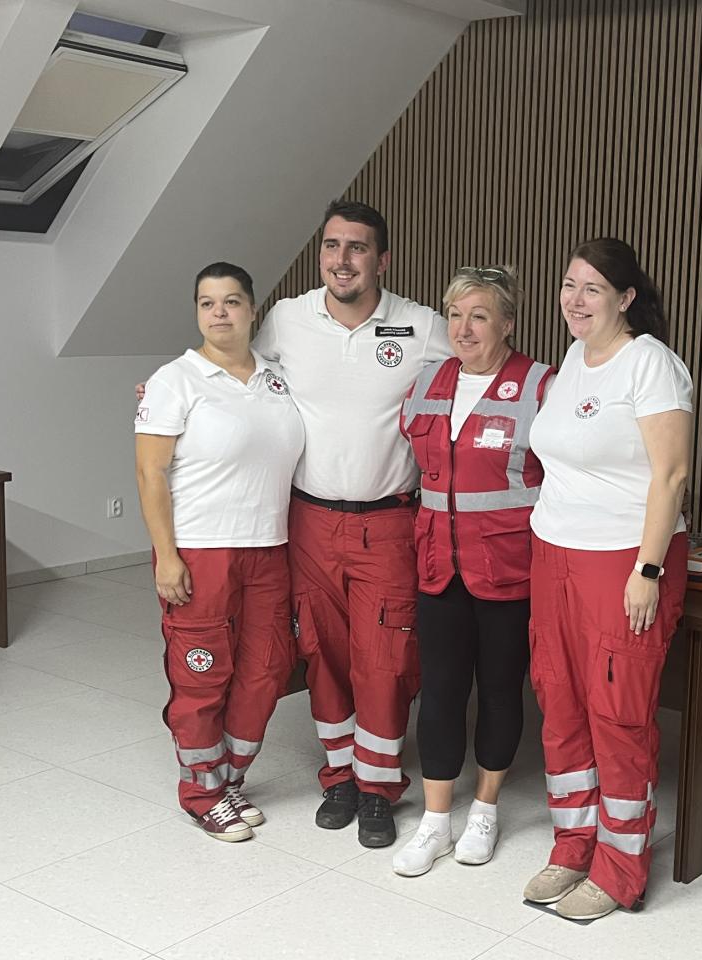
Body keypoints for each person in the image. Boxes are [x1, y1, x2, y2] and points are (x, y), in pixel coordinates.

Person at [253, 200, 453, 848]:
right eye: (332, 246)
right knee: (324, 655)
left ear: (382, 260)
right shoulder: (288, 319)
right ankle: (340, 776)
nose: (342, 260)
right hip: (309, 522)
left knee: (385, 661)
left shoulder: (421, 325)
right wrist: (174, 390)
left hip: (388, 524)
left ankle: (378, 787)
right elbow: (241, 377)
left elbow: (483, 371)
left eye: (357, 247)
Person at [522, 238, 693, 920]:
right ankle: (573, 845)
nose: (575, 299)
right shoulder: (574, 356)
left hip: (623, 559)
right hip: (554, 555)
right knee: (560, 702)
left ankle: (621, 869)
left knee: (618, 714)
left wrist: (648, 569)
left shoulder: (650, 363)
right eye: (569, 285)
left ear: (626, 298)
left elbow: (672, 475)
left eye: (592, 288)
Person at [135, 262, 305, 842]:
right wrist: (166, 556)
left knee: (267, 668)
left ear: (253, 309)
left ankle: (231, 777)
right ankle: (201, 791)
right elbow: (150, 474)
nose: (220, 313)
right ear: (196, 312)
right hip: (201, 549)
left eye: (231, 301)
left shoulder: (278, 378)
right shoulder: (174, 380)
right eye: (207, 303)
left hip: (270, 546)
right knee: (204, 672)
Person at [393, 266, 554, 876]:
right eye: (455, 315)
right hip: (438, 566)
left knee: (500, 691)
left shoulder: (540, 385)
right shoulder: (427, 382)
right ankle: (435, 821)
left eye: (479, 316)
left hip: (508, 570)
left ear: (507, 323)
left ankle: (485, 809)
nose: (463, 329)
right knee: (439, 692)